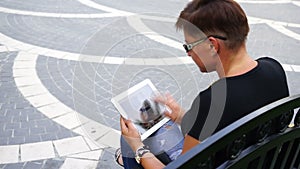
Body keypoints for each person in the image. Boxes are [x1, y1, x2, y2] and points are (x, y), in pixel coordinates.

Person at [119, 0, 289, 168]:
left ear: (212, 45)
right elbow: (230, 120)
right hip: (266, 161)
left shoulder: (211, 102)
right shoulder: (273, 69)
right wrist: (180, 116)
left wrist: (138, 148)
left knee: (130, 141)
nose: (189, 53)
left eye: (189, 46)